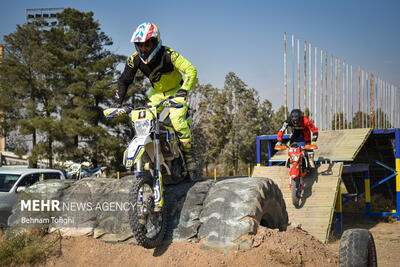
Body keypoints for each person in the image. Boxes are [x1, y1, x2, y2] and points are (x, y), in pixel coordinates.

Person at [115, 22, 197, 178]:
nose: (143, 48)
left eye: (147, 44)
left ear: (155, 41)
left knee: (177, 120)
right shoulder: (134, 60)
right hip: (156, 93)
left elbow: (190, 70)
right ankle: (149, 156)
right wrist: (117, 103)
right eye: (140, 45)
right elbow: (124, 80)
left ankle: (189, 155)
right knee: (141, 121)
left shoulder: (169, 54)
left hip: (175, 91)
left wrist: (183, 91)